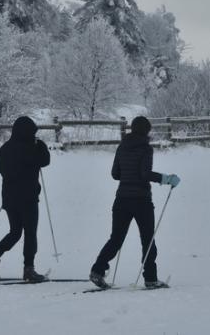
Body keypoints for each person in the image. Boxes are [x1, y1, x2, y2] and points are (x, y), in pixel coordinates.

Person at [89, 115, 180, 289]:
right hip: (141, 201)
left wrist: (128, 174)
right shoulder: (146, 149)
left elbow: (115, 174)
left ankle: (97, 271)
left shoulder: (122, 147)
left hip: (121, 199)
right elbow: (145, 174)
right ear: (147, 131)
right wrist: (166, 179)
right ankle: (151, 278)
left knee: (115, 239)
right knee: (148, 239)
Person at [0, 116, 50, 282]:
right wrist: (40, 147)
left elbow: (1, 169)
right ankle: (29, 269)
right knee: (30, 233)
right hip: (28, 198)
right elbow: (45, 161)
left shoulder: (6, 148)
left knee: (15, 232)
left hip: (9, 198)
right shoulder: (32, 148)